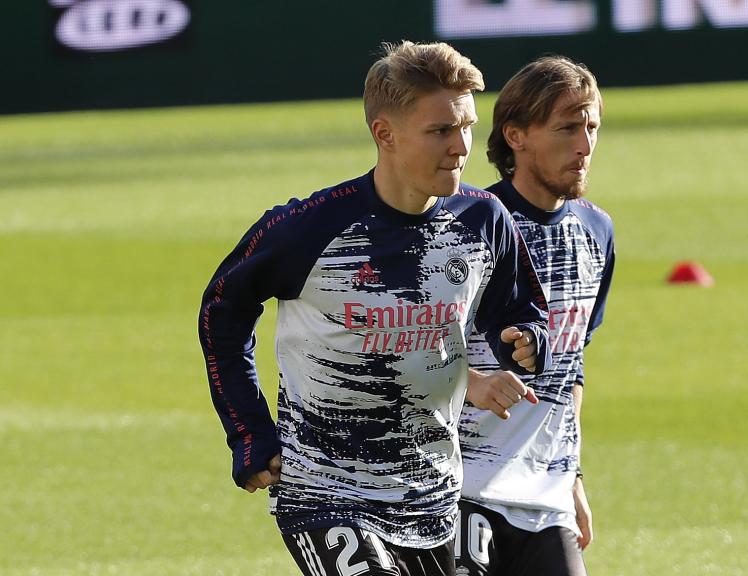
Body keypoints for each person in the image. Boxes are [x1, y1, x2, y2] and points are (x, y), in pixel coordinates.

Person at [198, 41, 552, 576]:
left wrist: (526, 338)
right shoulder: (308, 228)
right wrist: (250, 431)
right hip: (325, 491)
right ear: (385, 134)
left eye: (467, 126)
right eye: (440, 131)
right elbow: (221, 310)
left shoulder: (484, 220)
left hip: (433, 493)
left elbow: (519, 307)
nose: (461, 147)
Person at [456, 57, 615, 576]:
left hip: (545, 497)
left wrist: (573, 477)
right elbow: (408, 347)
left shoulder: (597, 232)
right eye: (567, 128)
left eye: (591, 127)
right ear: (516, 136)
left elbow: (571, 366)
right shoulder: (467, 225)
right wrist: (474, 381)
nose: (585, 145)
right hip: (458, 488)